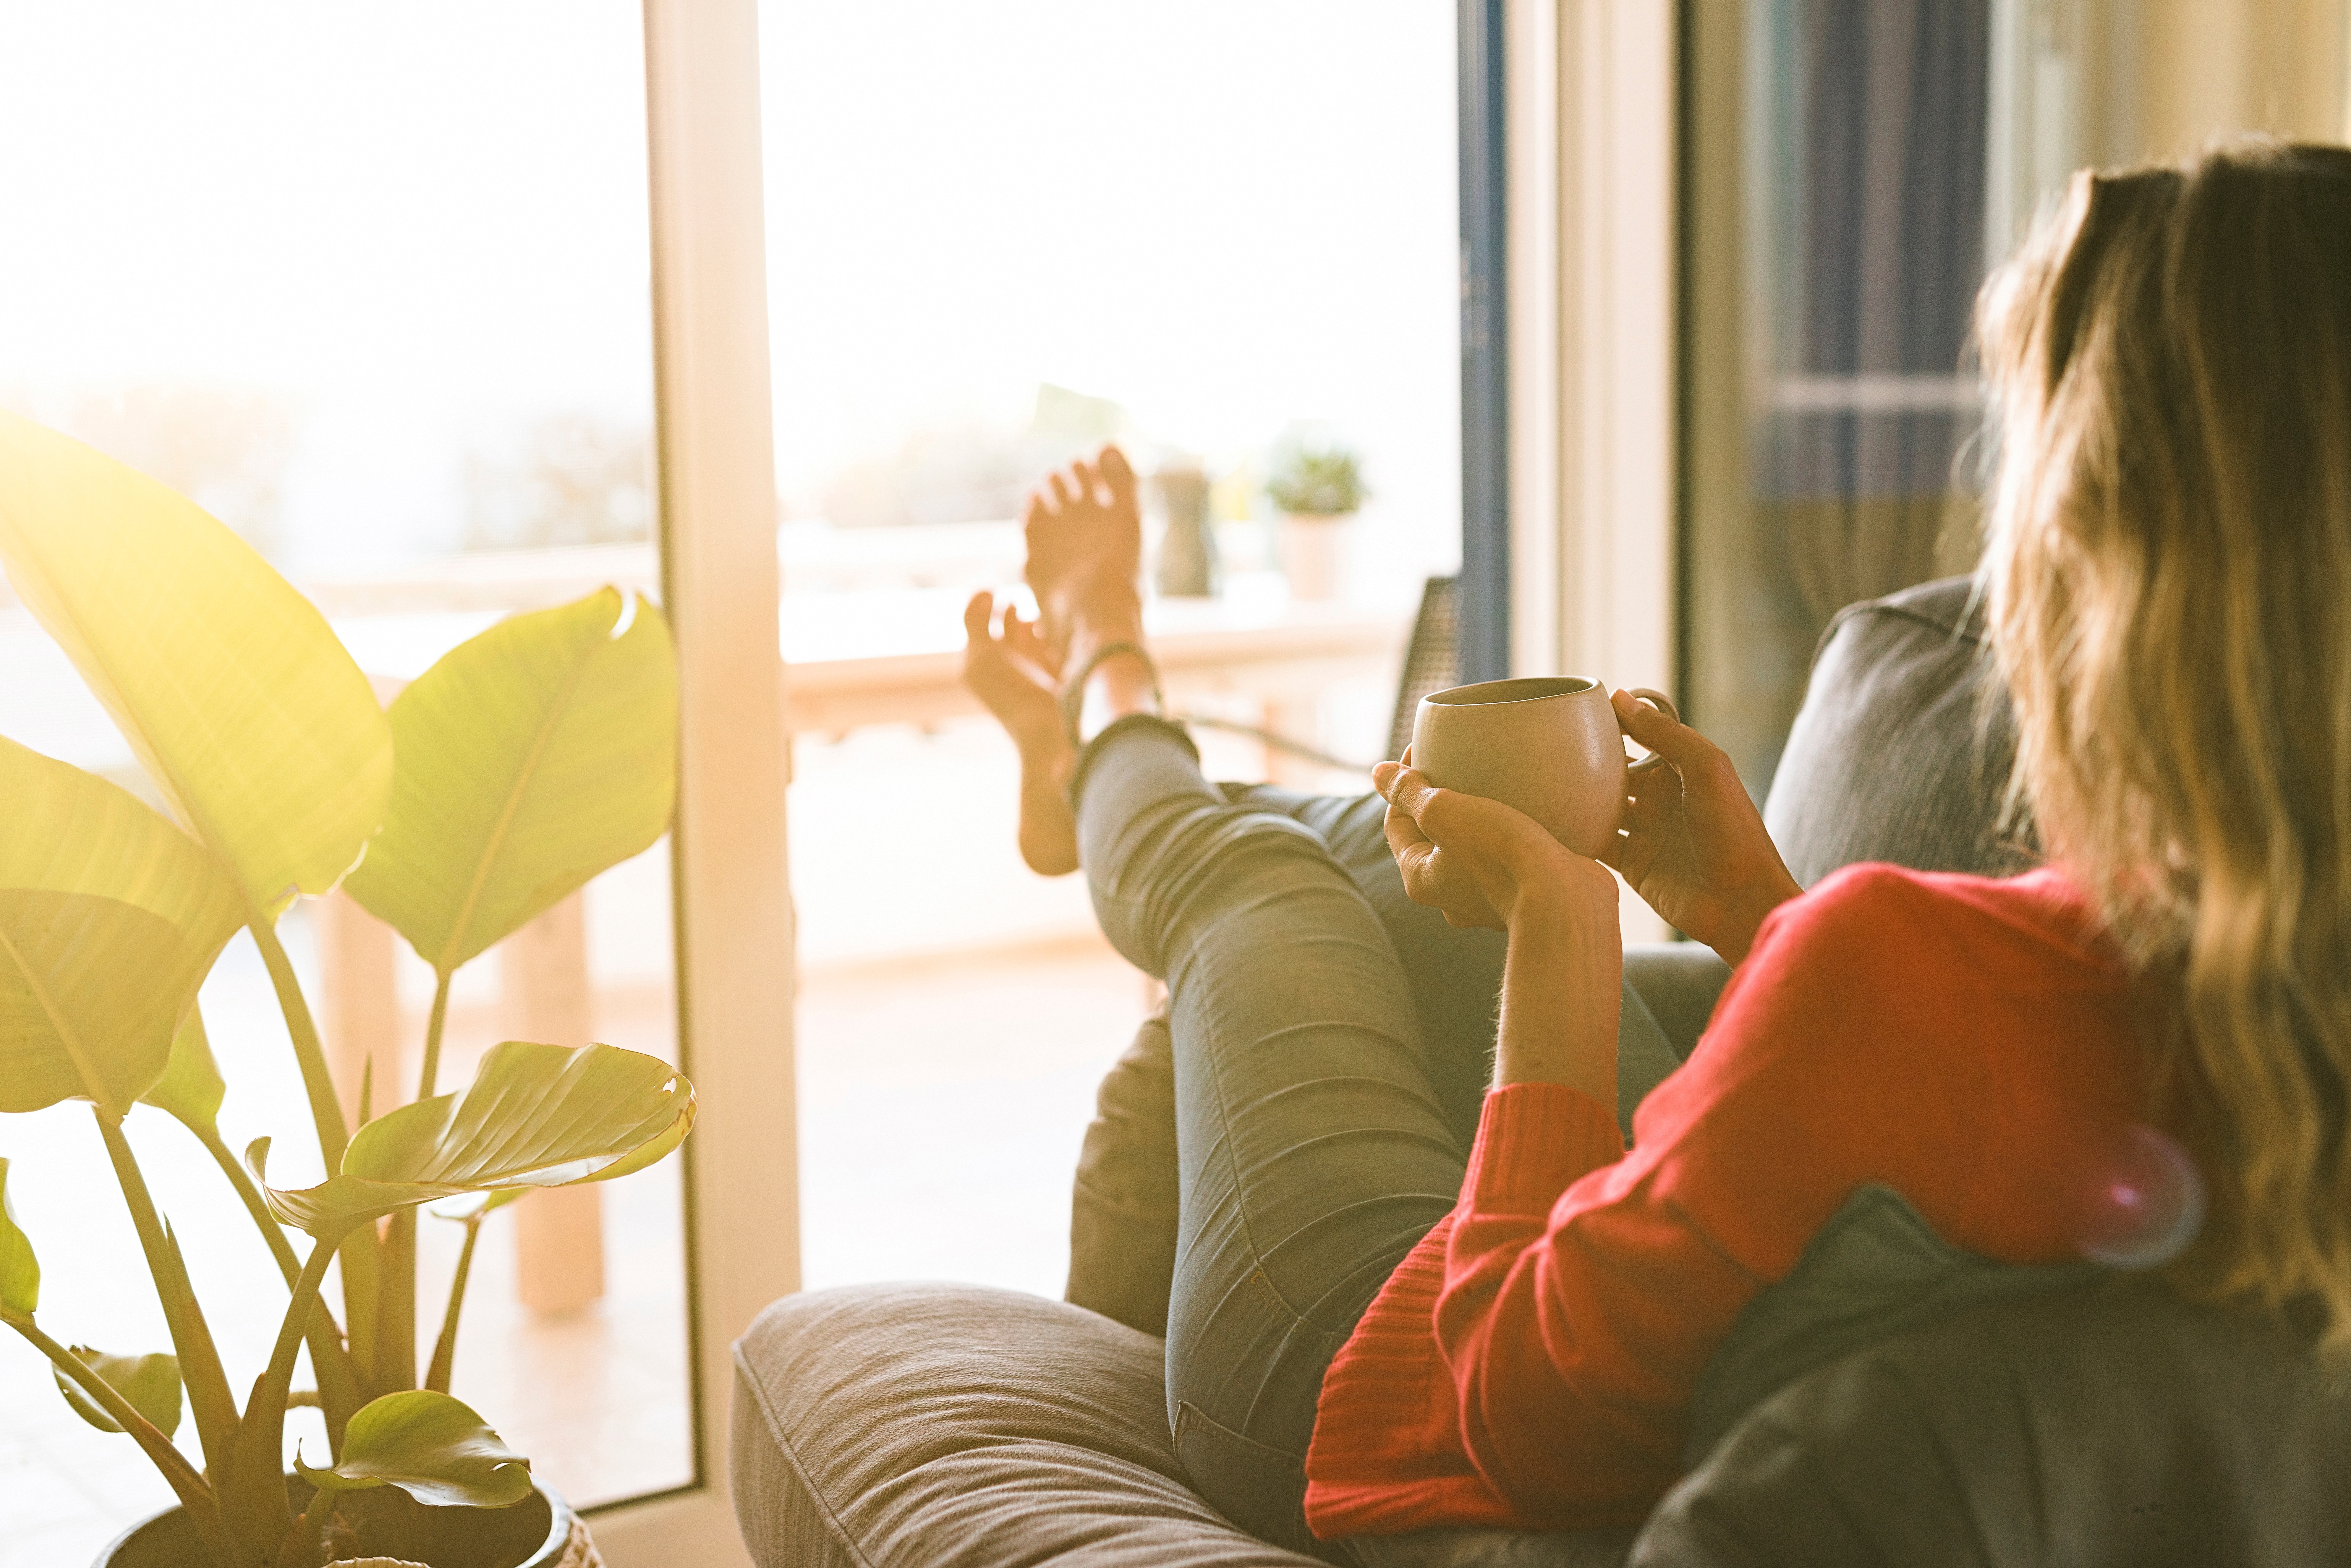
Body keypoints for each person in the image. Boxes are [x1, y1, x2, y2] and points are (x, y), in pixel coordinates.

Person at [958, 140, 2351, 1558]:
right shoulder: (2273, 972)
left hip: (1383, 1414)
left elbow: (1517, 1411)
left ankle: (1108, 685)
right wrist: (1762, 915)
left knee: (1252, 879)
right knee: (1372, 849)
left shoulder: (1907, 963)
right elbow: (1990, 1100)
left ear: (2103, 573)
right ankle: (1098, 769)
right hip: (1622, 1310)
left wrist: (1560, 928)